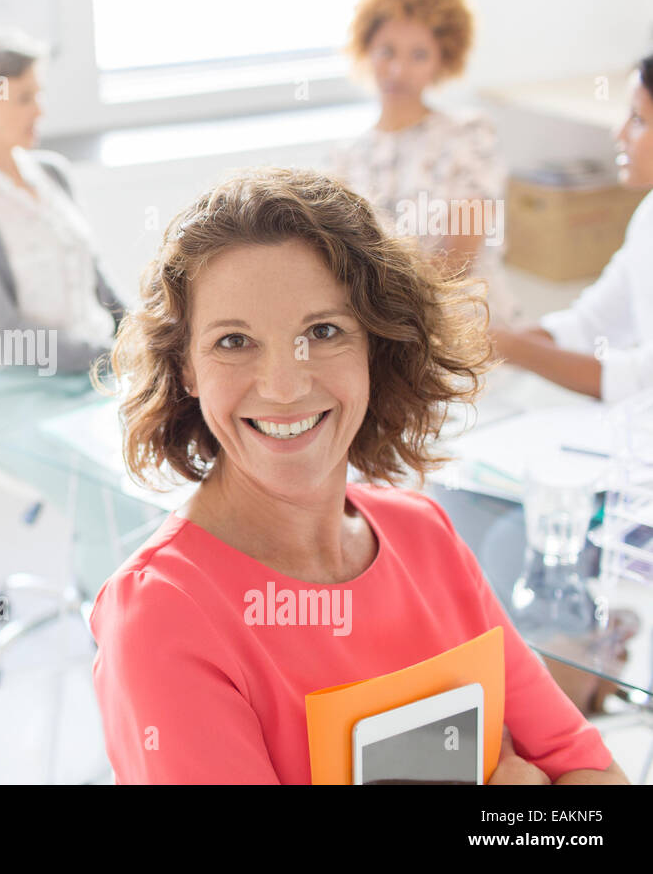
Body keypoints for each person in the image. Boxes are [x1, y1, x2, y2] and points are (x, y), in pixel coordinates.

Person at [88, 167, 628, 784]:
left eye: (322, 332)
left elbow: (590, 772)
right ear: (185, 369)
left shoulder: (423, 535)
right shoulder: (162, 617)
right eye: (234, 342)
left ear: (376, 345)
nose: (284, 386)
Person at [0, 29, 162, 596]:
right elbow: (6, 340)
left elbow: (96, 281)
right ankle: (113, 633)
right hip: (14, 393)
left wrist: (147, 334)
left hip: (97, 373)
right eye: (24, 98)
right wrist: (110, 354)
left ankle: (169, 609)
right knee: (113, 491)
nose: (40, 110)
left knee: (178, 456)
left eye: (39, 94)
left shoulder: (50, 174)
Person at [330, 0, 522, 325]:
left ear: (441, 60)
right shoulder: (346, 158)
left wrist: (389, 316)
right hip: (382, 324)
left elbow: (458, 260)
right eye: (387, 51)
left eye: (418, 55)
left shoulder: (468, 135)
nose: (399, 69)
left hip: (462, 322)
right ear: (367, 49)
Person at [489, 53, 653, 403]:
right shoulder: (648, 215)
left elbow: (643, 381)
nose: (619, 132)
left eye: (638, 120)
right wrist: (486, 342)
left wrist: (515, 348)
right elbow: (593, 324)